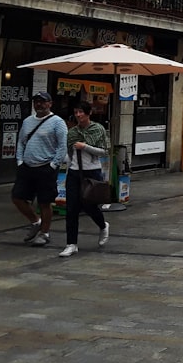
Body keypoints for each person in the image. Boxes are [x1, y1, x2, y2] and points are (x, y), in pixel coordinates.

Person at [12, 91, 68, 248]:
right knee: (17, 197)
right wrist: (20, 161)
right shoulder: (28, 121)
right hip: (27, 167)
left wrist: (53, 165)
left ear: (50, 104)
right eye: (36, 101)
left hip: (46, 167)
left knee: (45, 202)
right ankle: (35, 221)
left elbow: (62, 146)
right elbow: (21, 142)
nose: (39, 104)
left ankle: (45, 233)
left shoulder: (57, 122)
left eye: (43, 101)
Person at [59, 101, 110, 257]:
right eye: (76, 112)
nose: (78, 115)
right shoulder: (72, 132)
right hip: (74, 172)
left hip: (92, 172)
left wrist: (85, 147)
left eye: (81, 112)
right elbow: (68, 152)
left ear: (89, 113)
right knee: (71, 208)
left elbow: (103, 152)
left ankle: (103, 226)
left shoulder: (98, 129)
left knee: (89, 206)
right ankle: (71, 243)